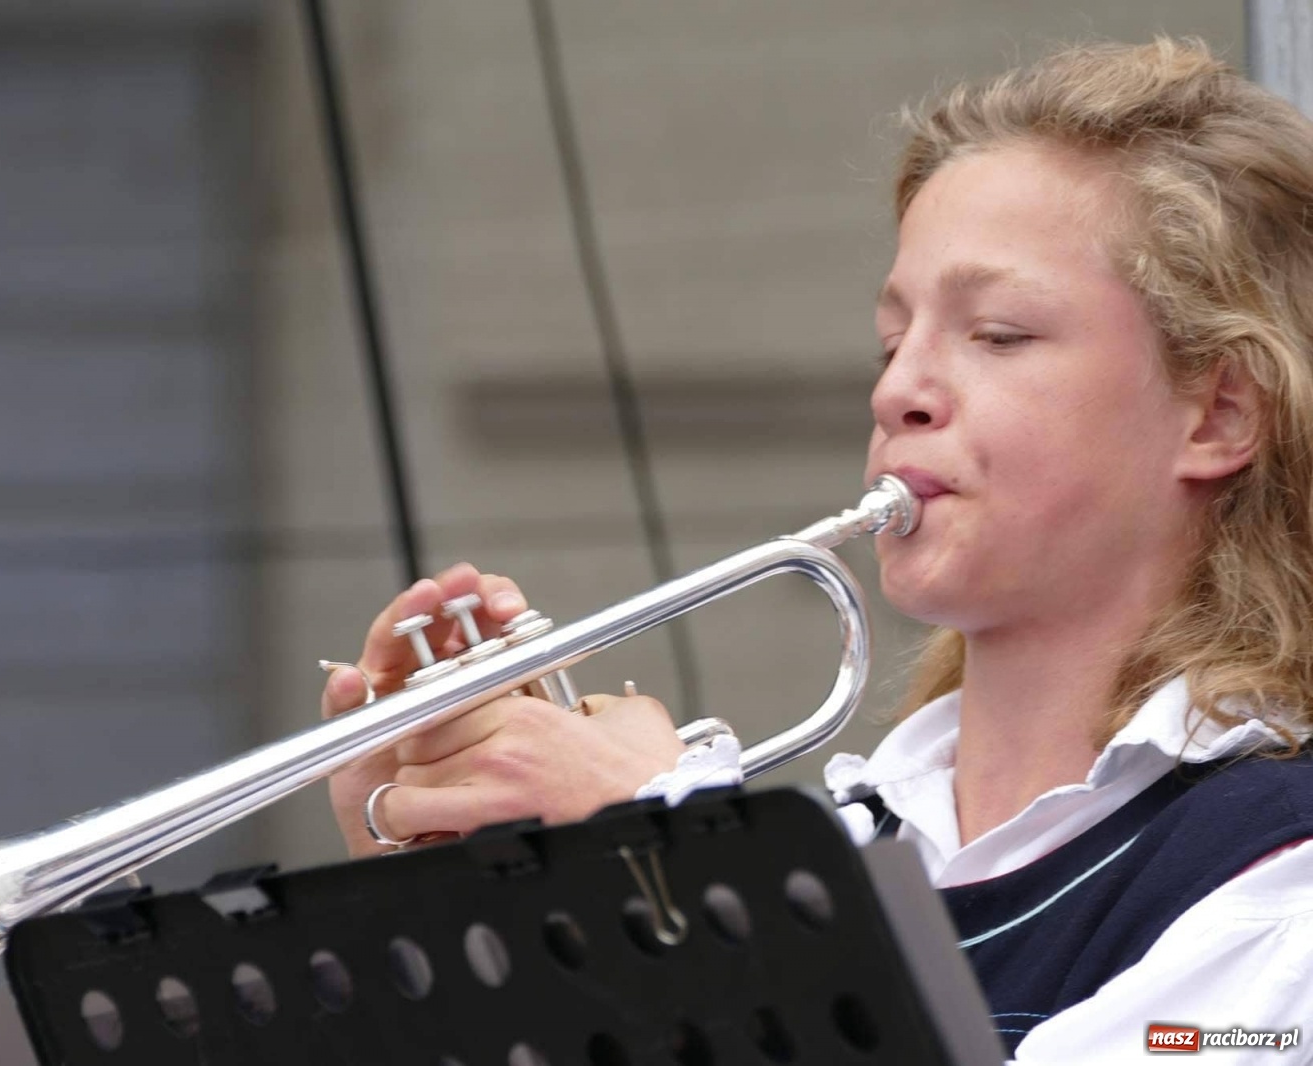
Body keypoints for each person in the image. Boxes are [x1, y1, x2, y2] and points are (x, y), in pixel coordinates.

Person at [322, 38, 1313, 1063]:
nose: (897, 392)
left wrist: (663, 844)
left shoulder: (1280, 872)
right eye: (893, 343)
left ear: (1218, 415)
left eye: (998, 334)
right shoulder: (851, 844)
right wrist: (430, 905)